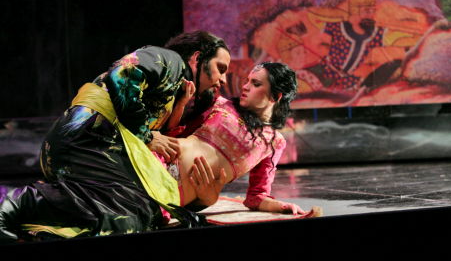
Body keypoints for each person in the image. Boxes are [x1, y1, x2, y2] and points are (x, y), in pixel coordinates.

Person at [0, 30, 231, 242]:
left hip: (89, 142)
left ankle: (39, 231)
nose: (223, 80)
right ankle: (16, 202)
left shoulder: (175, 85)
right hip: (89, 135)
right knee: (131, 209)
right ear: (197, 58)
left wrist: (179, 105)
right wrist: (147, 135)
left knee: (134, 213)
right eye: (220, 68)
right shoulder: (169, 60)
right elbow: (123, 75)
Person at [168, 62, 305, 214]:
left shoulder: (273, 142)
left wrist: (281, 206)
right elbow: (176, 133)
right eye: (247, 81)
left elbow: (256, 197)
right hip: (158, 162)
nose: (245, 87)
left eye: (256, 84)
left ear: (276, 96)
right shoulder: (220, 104)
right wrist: (181, 104)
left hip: (173, 195)